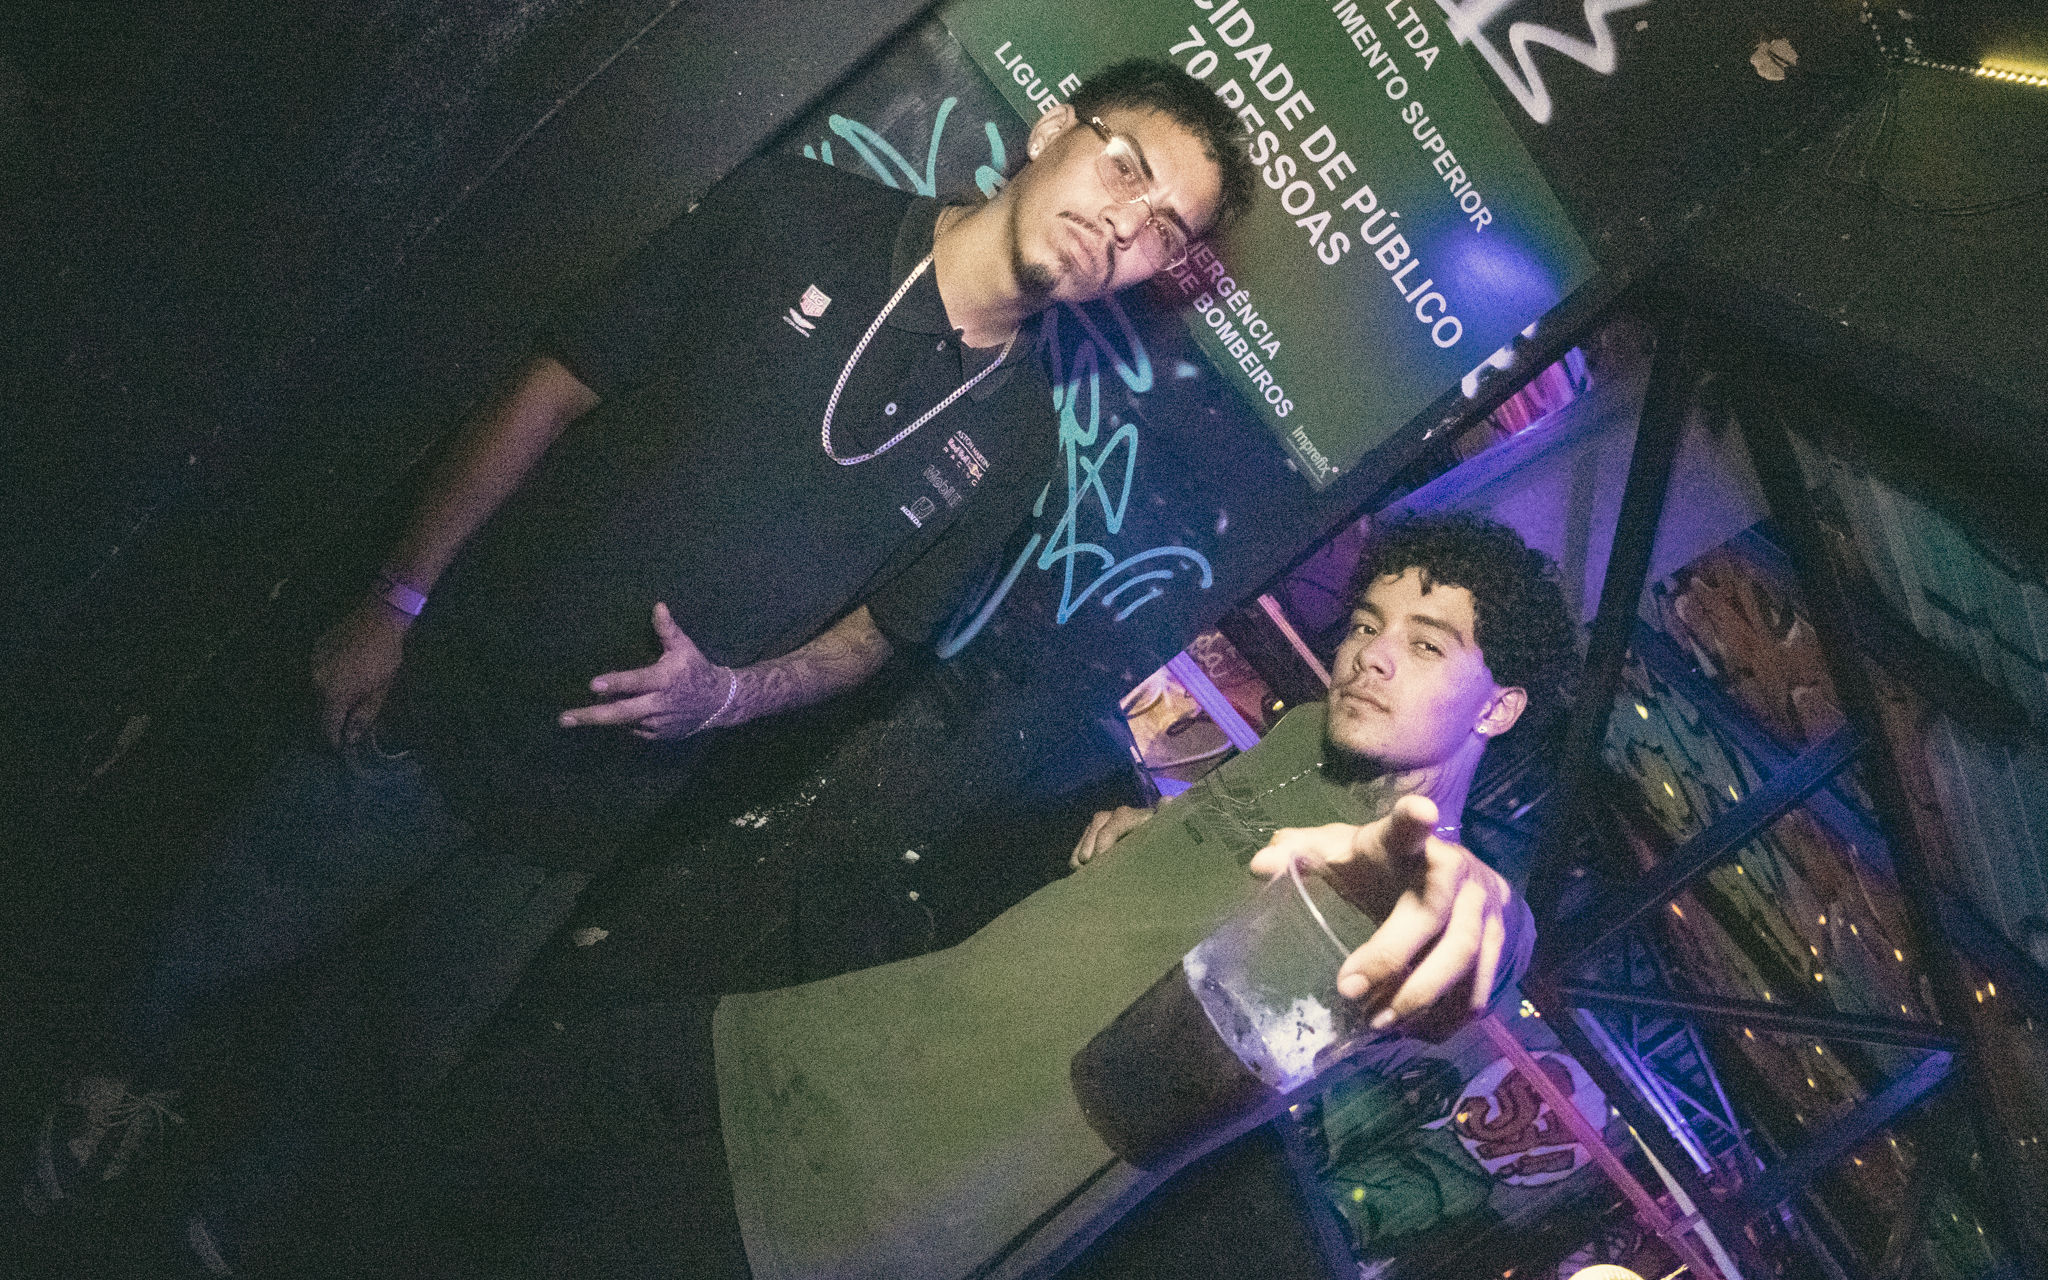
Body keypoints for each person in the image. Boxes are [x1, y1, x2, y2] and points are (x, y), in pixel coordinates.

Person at [22, 58, 1258, 1273]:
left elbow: (878, 635)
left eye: (1165, 228)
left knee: (379, 1063)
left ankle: (225, 1235)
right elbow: (552, 388)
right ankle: (74, 1104)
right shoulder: (799, 214)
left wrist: (733, 695)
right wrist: (397, 597)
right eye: (1125, 167)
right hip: (450, 687)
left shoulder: (1020, 438)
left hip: (584, 811)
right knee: (216, 926)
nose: (1125, 223)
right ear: (1051, 129)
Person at [389, 513, 1577, 1280]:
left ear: (1499, 704)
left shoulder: (1410, 893)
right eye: (1367, 622)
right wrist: (1151, 824)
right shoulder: (1306, 732)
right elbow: (1210, 851)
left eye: (1428, 644)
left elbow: (1474, 944)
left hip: (857, 1205)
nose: (1373, 652)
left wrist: (1477, 903)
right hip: (804, 1040)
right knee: (429, 1154)